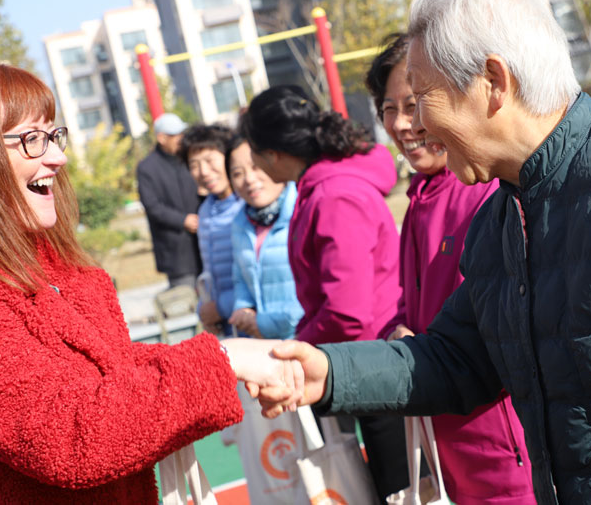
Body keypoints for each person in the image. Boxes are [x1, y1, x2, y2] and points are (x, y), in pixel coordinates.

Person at [257, 0, 591, 504]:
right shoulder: (500, 222)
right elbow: (456, 359)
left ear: (493, 81)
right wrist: (330, 373)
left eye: (422, 98)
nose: (415, 125)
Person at [0, 62, 303, 504]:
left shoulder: (57, 267)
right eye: (31, 139)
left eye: (52, 135)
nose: (57, 157)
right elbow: (68, 436)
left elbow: (106, 371)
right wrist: (221, 359)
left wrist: (236, 358)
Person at [366, 33, 535, 504]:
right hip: (449, 440)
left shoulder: (482, 191)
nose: (403, 124)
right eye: (389, 109)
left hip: (501, 442)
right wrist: (398, 331)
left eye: (415, 104)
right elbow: (409, 306)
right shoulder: (420, 200)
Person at [240, 85, 413, 502]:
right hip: (361, 359)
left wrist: (293, 347)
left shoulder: (335, 195)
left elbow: (347, 310)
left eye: (253, 153)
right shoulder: (323, 187)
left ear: (274, 155)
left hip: (373, 365)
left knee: (400, 490)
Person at [226, 138, 303, 340]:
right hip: (265, 344)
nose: (249, 179)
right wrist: (244, 310)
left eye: (256, 166)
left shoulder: (303, 212)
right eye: (237, 173)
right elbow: (240, 277)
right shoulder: (239, 224)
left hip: (307, 340)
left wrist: (264, 324)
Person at [182, 124, 244, 336]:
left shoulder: (247, 206)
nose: (203, 172)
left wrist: (220, 308)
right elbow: (210, 272)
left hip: (251, 322)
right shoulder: (206, 210)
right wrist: (204, 310)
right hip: (228, 327)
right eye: (194, 165)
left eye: (209, 161)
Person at [137, 112, 201, 289]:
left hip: (203, 244)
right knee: (185, 299)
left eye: (182, 134)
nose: (181, 139)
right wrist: (183, 220)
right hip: (176, 253)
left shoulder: (190, 158)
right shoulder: (147, 168)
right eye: (176, 135)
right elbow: (152, 206)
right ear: (162, 138)